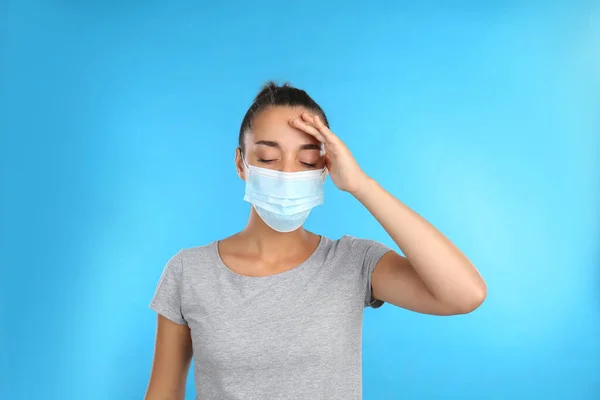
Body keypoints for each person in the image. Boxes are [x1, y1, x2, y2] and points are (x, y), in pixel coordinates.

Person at [144, 82, 487, 400]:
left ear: (324, 168)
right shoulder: (189, 271)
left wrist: (362, 185)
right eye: (267, 158)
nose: (288, 174)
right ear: (241, 164)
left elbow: (465, 294)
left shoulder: (354, 262)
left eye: (307, 160)